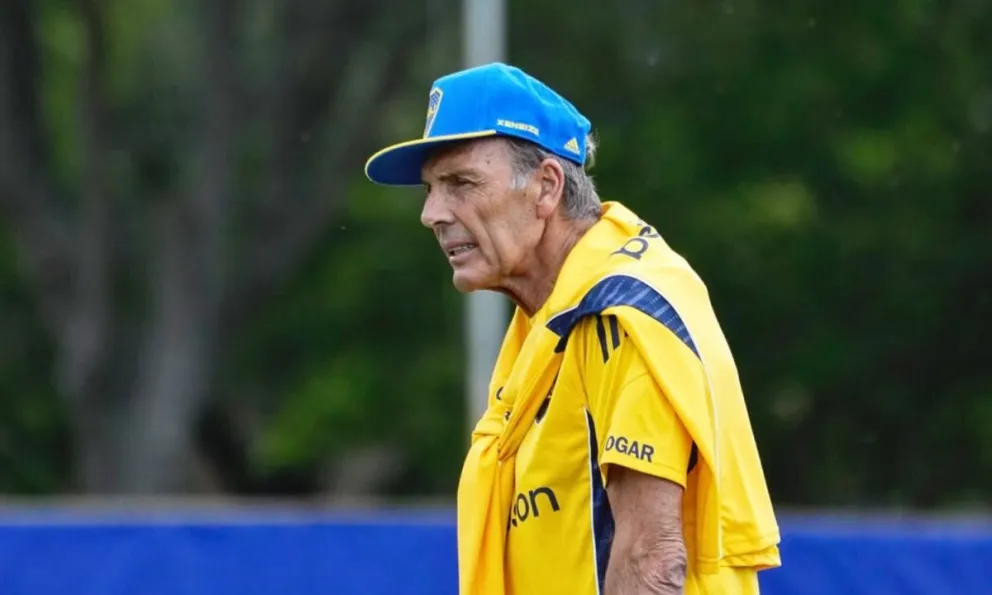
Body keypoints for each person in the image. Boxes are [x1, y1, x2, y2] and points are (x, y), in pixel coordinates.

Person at [364, 62, 781, 595]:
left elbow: (653, 559)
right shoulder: (552, 317)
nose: (432, 213)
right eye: (430, 188)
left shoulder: (619, 316)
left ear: (546, 187)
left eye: (460, 183)